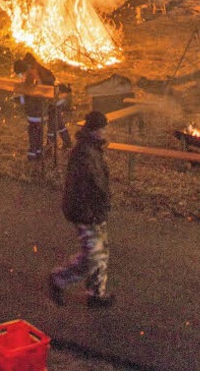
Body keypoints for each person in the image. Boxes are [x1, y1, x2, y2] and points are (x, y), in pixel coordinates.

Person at [48, 109, 115, 309]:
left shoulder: (93, 149)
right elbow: (85, 186)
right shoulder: (83, 153)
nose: (104, 132)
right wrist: (90, 211)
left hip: (96, 210)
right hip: (85, 211)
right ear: (95, 130)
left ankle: (96, 294)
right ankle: (58, 280)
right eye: (102, 129)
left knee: (101, 252)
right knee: (93, 255)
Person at [13, 53, 72, 160]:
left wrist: (22, 98)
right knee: (57, 122)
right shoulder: (35, 69)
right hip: (53, 99)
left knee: (53, 124)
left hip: (53, 99)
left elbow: (33, 90)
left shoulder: (32, 72)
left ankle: (51, 149)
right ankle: (65, 143)